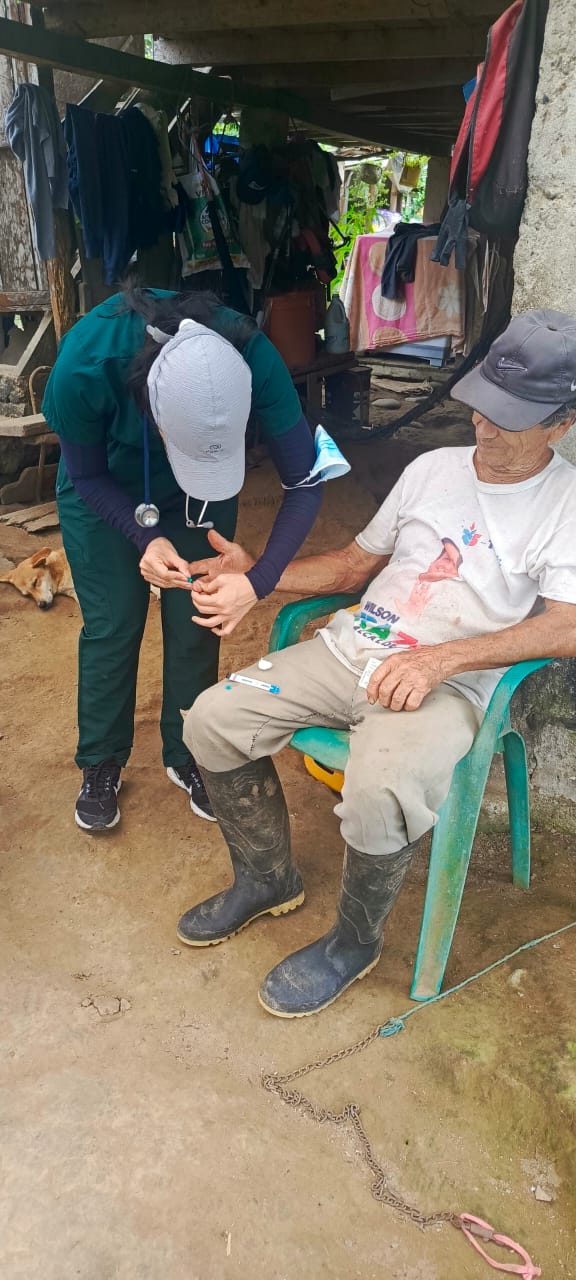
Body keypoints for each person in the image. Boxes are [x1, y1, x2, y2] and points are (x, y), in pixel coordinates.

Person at [178, 308, 576, 1018]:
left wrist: (444, 660)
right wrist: (258, 575)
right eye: (481, 405)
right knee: (213, 719)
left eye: (509, 418)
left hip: (447, 685)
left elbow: (567, 625)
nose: (483, 427)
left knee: (380, 789)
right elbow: (352, 565)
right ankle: (267, 880)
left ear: (562, 424)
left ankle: (353, 943)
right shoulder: (432, 469)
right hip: (351, 650)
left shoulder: (564, 504)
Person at [42, 288, 324, 831]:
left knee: (200, 609)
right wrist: (144, 537)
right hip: (104, 479)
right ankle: (101, 761)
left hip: (199, 486)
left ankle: (189, 750)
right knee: (113, 620)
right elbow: (87, 474)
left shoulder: (253, 355)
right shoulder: (85, 363)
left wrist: (259, 580)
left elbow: (306, 480)